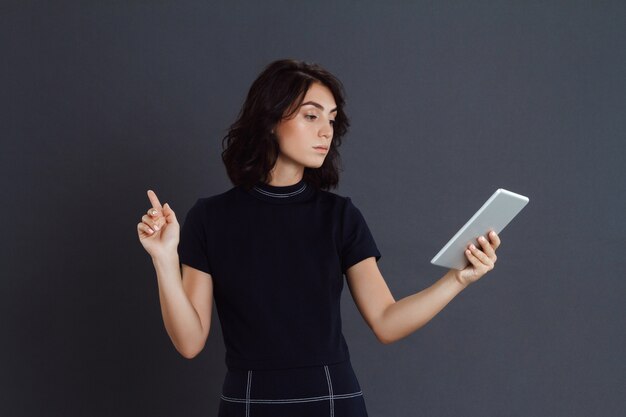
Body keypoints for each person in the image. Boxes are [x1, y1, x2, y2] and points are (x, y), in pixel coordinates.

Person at [136, 59, 501, 417]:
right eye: (311, 115)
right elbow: (189, 342)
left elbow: (387, 322)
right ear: (271, 120)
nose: (326, 130)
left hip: (333, 399)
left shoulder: (340, 216)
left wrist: (458, 278)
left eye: (331, 119)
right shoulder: (210, 218)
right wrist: (164, 260)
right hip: (248, 402)